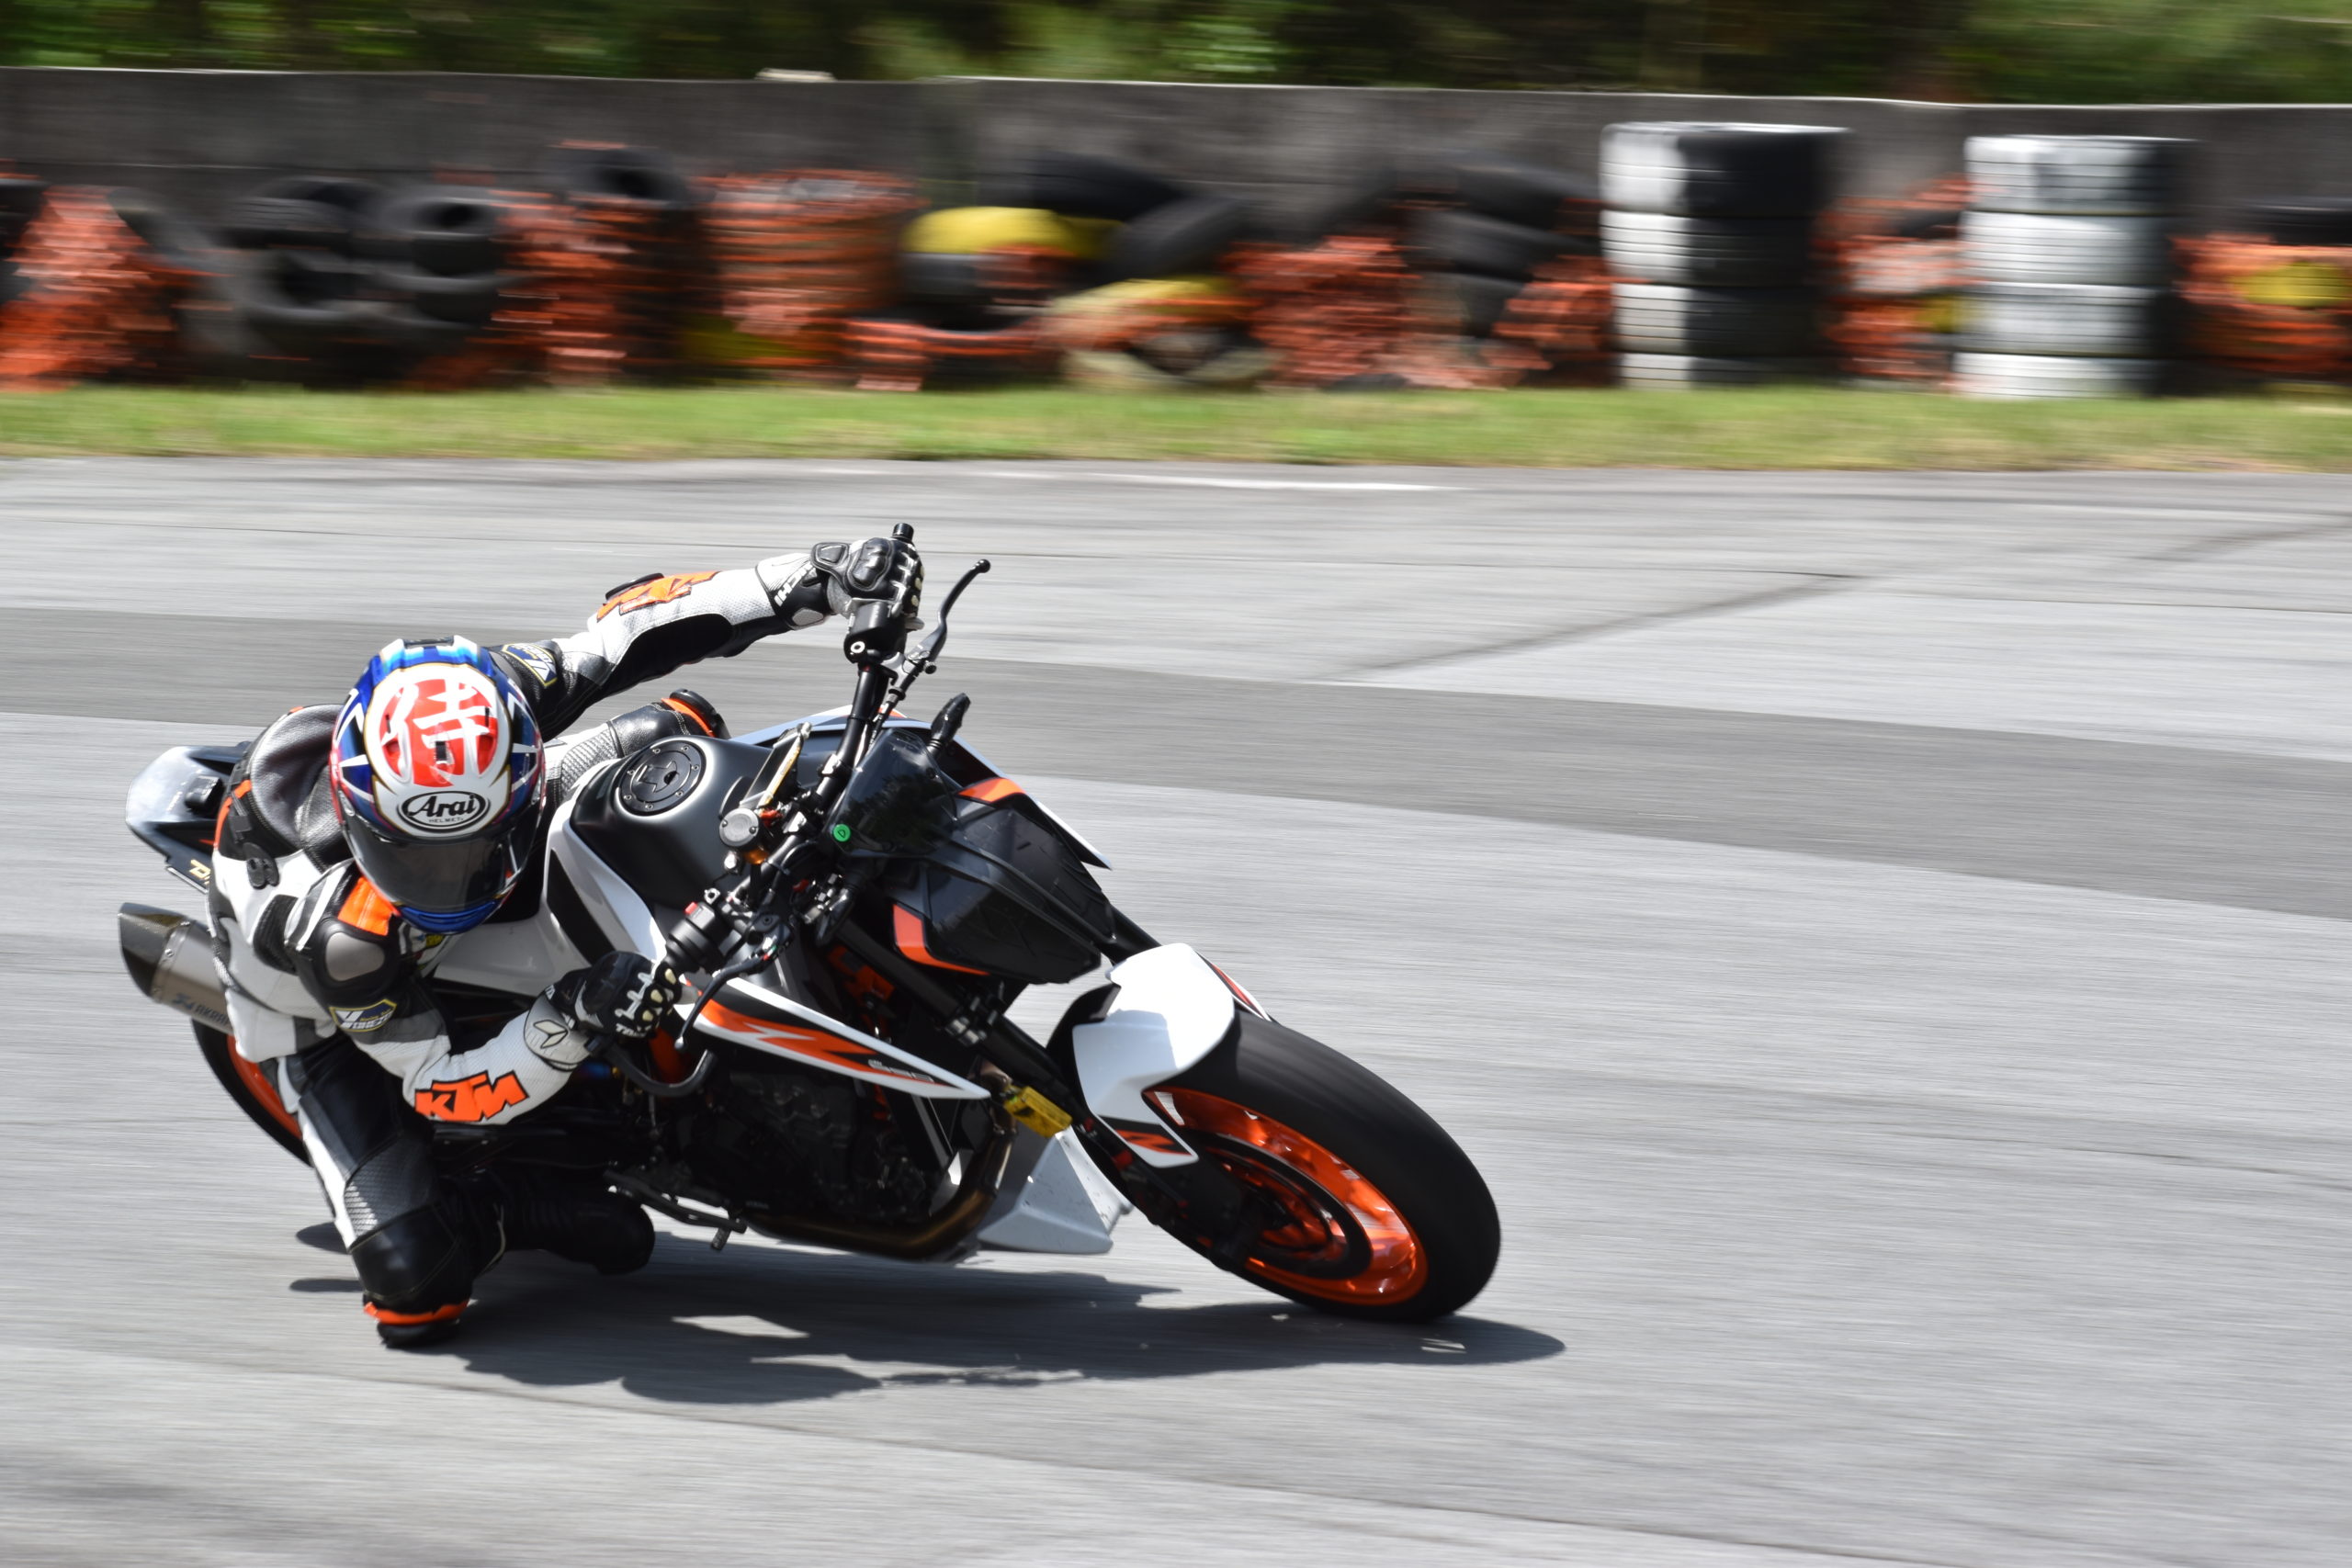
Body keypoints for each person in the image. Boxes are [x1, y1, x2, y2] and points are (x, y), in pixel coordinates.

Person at [207, 536, 920, 1348]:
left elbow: (632, 626)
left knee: (678, 729)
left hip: (500, 814)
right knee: (415, 1286)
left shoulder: (487, 704)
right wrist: (571, 1016)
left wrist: (819, 575)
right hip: (318, 1019)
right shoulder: (342, 943)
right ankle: (508, 1207)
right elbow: (441, 1086)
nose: (453, 882)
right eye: (420, 859)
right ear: (362, 817)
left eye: (469, 850)